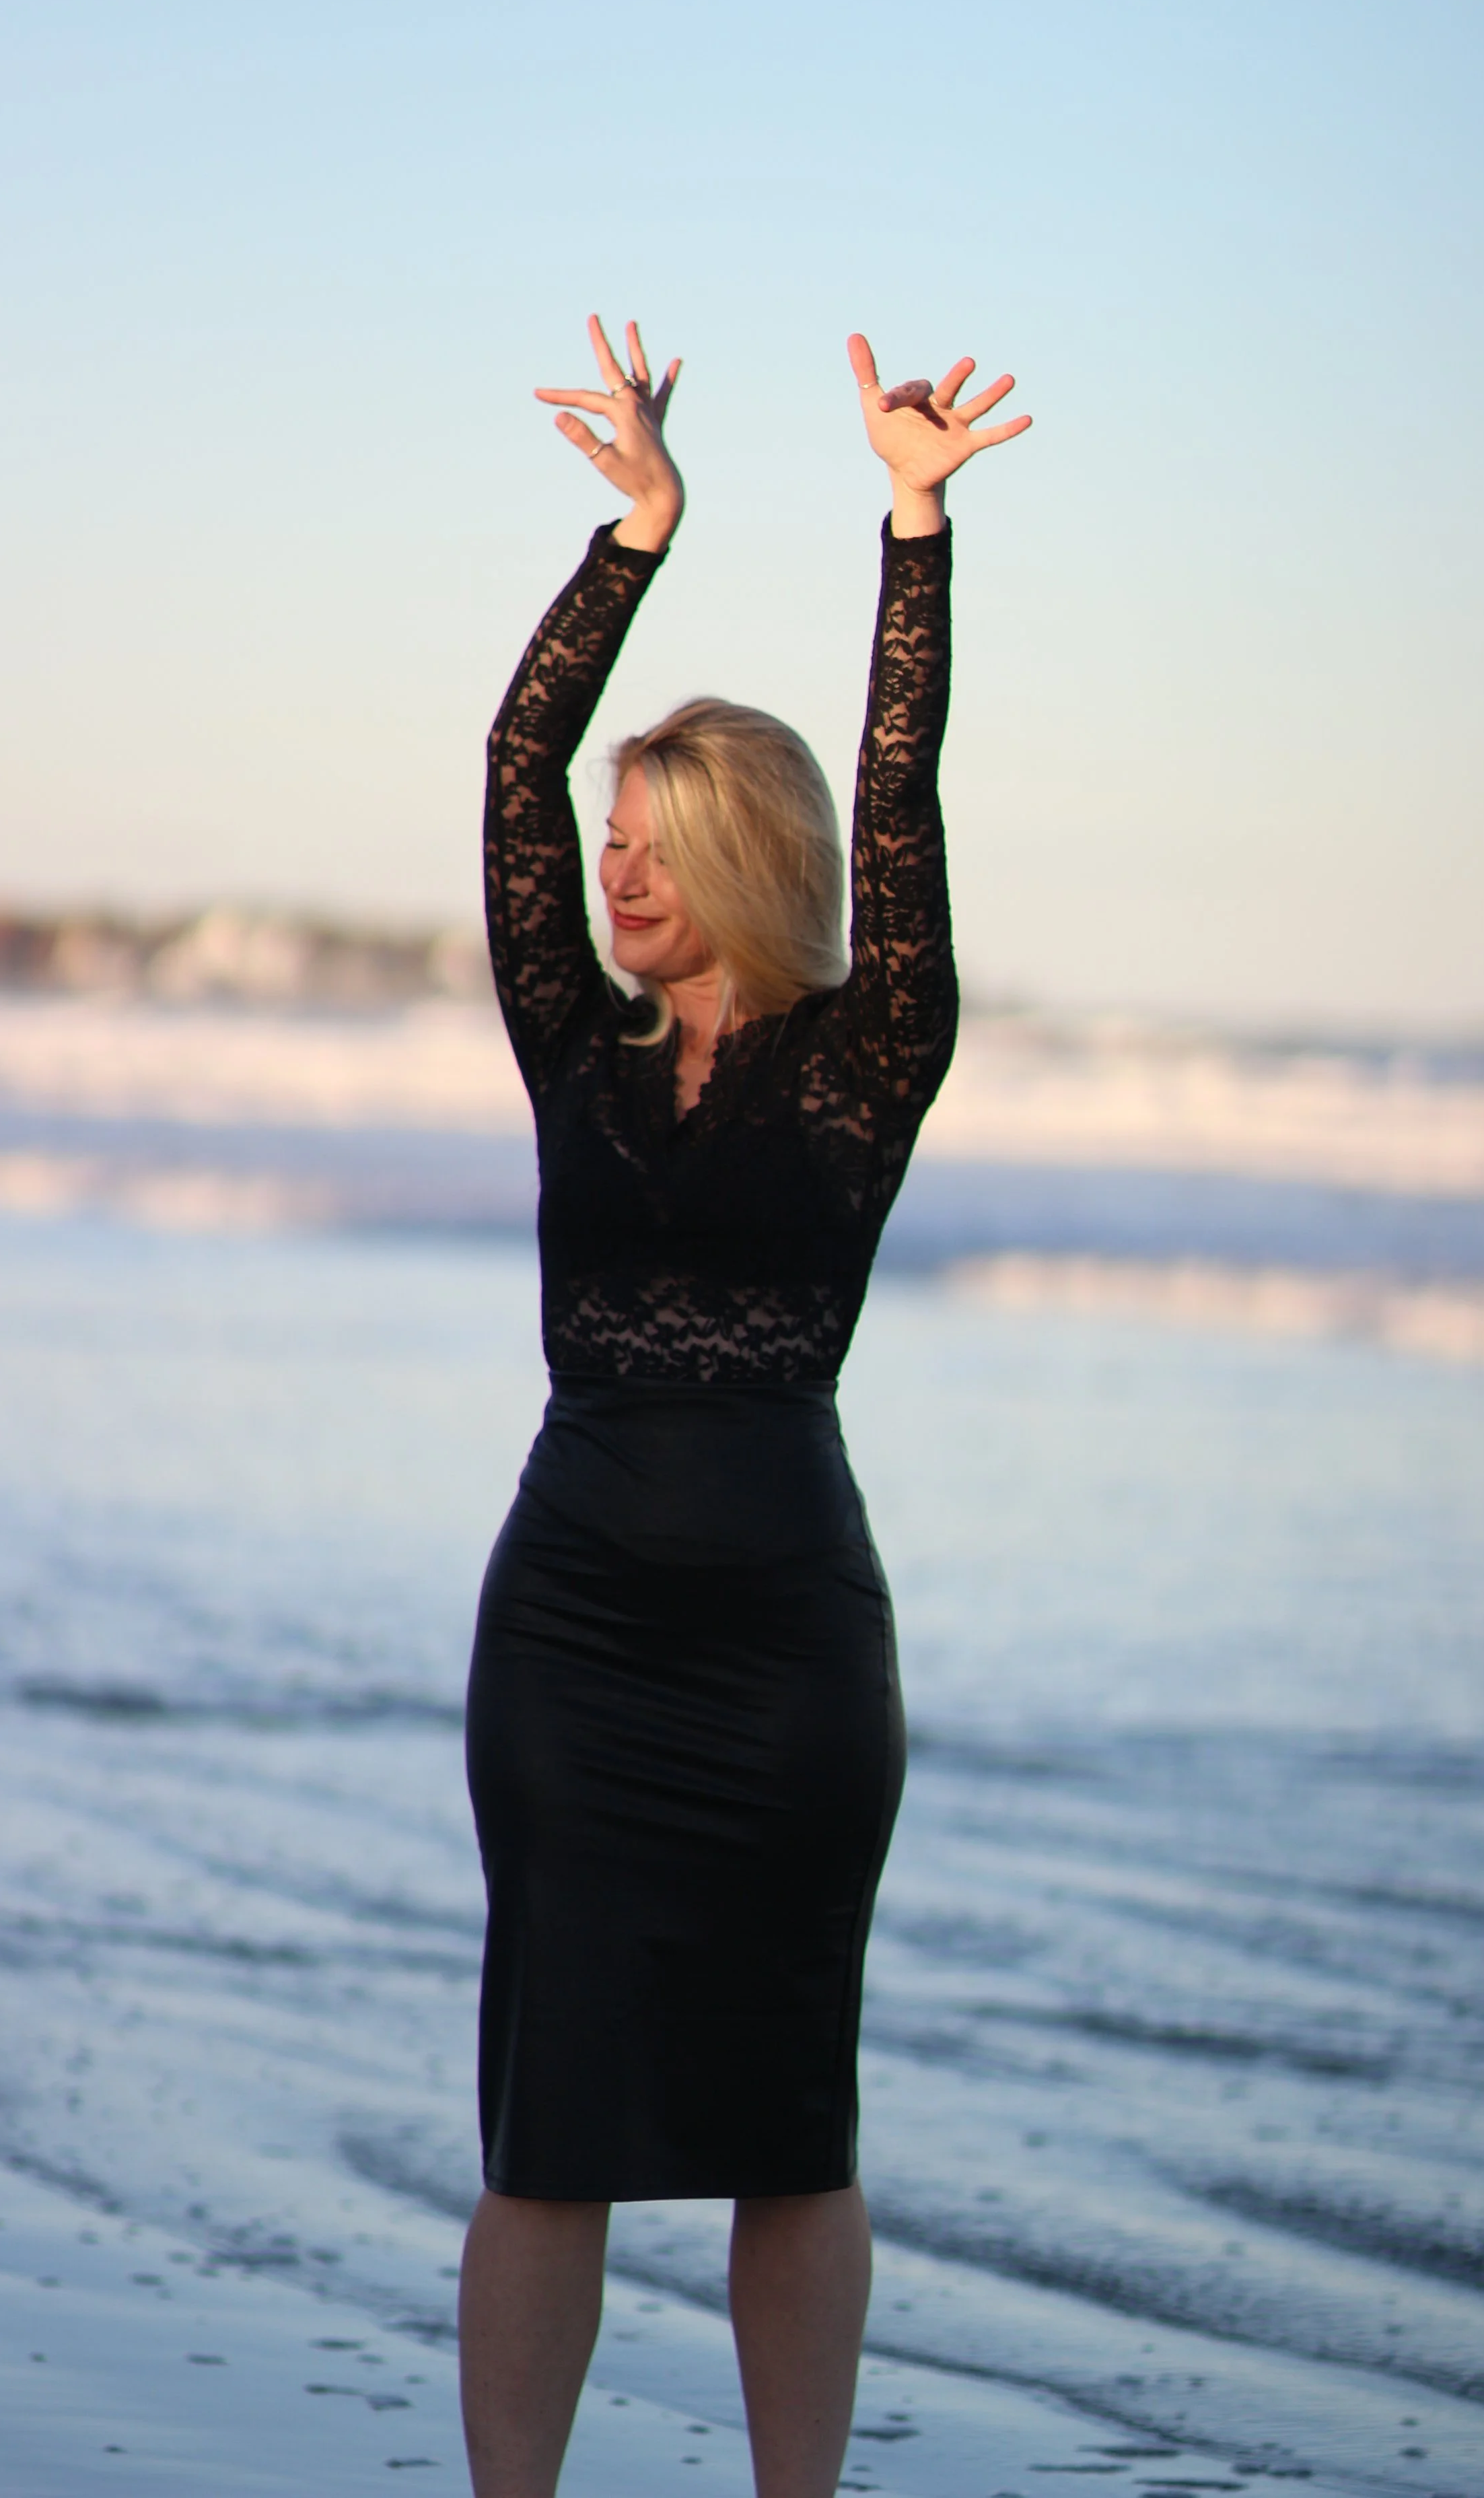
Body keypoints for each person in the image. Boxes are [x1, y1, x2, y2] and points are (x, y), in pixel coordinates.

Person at [460, 313, 1030, 2498]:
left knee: (795, 2111)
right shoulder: (569, 1044)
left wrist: (913, 527)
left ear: (744, 859)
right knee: (551, 2114)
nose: (615, 872)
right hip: (574, 1623)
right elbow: (510, 772)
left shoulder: (870, 1055)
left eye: (661, 840)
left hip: (791, 1642)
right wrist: (636, 536)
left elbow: (905, 795)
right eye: (616, 842)